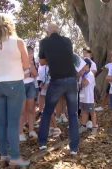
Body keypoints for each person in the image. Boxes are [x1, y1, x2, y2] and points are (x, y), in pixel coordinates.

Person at [0, 13, 30, 167]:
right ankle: (15, 157)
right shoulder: (17, 41)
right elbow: (26, 65)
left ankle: (3, 155)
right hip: (14, 83)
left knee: (1, 122)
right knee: (13, 122)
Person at [38, 23, 79, 155]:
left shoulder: (44, 42)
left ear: (48, 32)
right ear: (58, 31)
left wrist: (51, 59)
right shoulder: (67, 40)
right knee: (73, 114)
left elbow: (42, 62)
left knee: (48, 112)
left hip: (56, 81)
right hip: (72, 80)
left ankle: (43, 143)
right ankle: (74, 148)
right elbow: (68, 55)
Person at [19, 46, 38, 141]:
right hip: (21, 86)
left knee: (30, 109)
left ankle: (31, 130)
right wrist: (28, 73)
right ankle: (20, 133)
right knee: (21, 111)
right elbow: (19, 76)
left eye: (32, 54)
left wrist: (31, 68)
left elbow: (35, 74)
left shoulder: (32, 63)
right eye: (30, 53)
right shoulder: (19, 62)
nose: (31, 55)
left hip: (31, 85)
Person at [39, 64, 62, 137]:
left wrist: (48, 84)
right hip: (45, 90)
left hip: (52, 89)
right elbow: (43, 78)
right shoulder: (44, 67)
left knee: (49, 109)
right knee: (47, 109)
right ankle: (51, 127)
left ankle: (56, 128)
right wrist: (42, 84)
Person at [78, 58, 98, 135]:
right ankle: (83, 126)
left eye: (83, 66)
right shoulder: (82, 75)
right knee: (83, 111)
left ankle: (94, 127)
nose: (82, 67)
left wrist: (82, 75)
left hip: (89, 98)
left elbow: (84, 83)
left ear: (88, 66)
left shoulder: (90, 74)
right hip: (83, 97)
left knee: (92, 112)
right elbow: (79, 85)